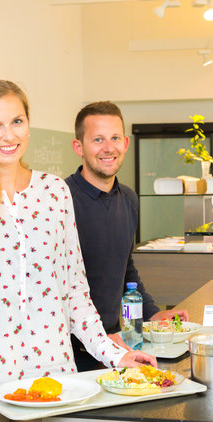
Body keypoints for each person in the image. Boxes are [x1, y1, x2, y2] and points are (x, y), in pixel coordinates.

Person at [0, 81, 156, 422]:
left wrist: (115, 355)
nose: (8, 136)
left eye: (17, 122)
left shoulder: (54, 192)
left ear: (28, 124)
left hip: (48, 386)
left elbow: (74, 290)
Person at [65, 101, 189, 371]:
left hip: (116, 345)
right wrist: (94, 340)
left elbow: (126, 271)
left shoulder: (129, 199)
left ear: (126, 143)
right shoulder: (59, 200)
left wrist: (154, 313)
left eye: (114, 138)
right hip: (70, 352)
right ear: (79, 147)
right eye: (97, 139)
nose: (108, 148)